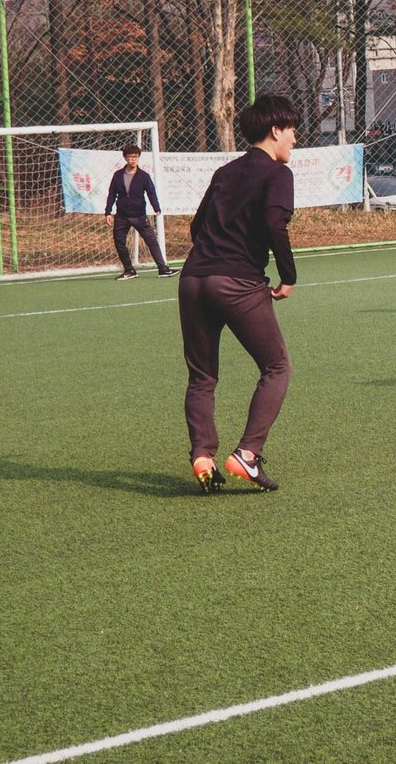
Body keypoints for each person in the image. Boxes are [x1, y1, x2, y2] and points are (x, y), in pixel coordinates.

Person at [179, 93, 301, 493]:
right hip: (236, 283)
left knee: (202, 376)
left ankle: (202, 456)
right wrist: (287, 275)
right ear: (275, 131)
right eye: (292, 131)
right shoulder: (277, 174)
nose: (295, 140)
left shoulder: (225, 171)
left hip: (193, 279)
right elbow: (274, 223)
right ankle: (247, 455)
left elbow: (198, 228)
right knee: (277, 367)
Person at [104, 144, 175, 279]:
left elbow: (151, 192)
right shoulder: (117, 175)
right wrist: (108, 212)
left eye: (135, 157)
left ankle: (163, 269)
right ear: (125, 158)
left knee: (151, 241)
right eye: (130, 157)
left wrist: (156, 208)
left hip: (139, 216)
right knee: (119, 242)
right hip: (121, 216)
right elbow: (112, 194)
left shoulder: (144, 176)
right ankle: (129, 270)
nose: (133, 160)